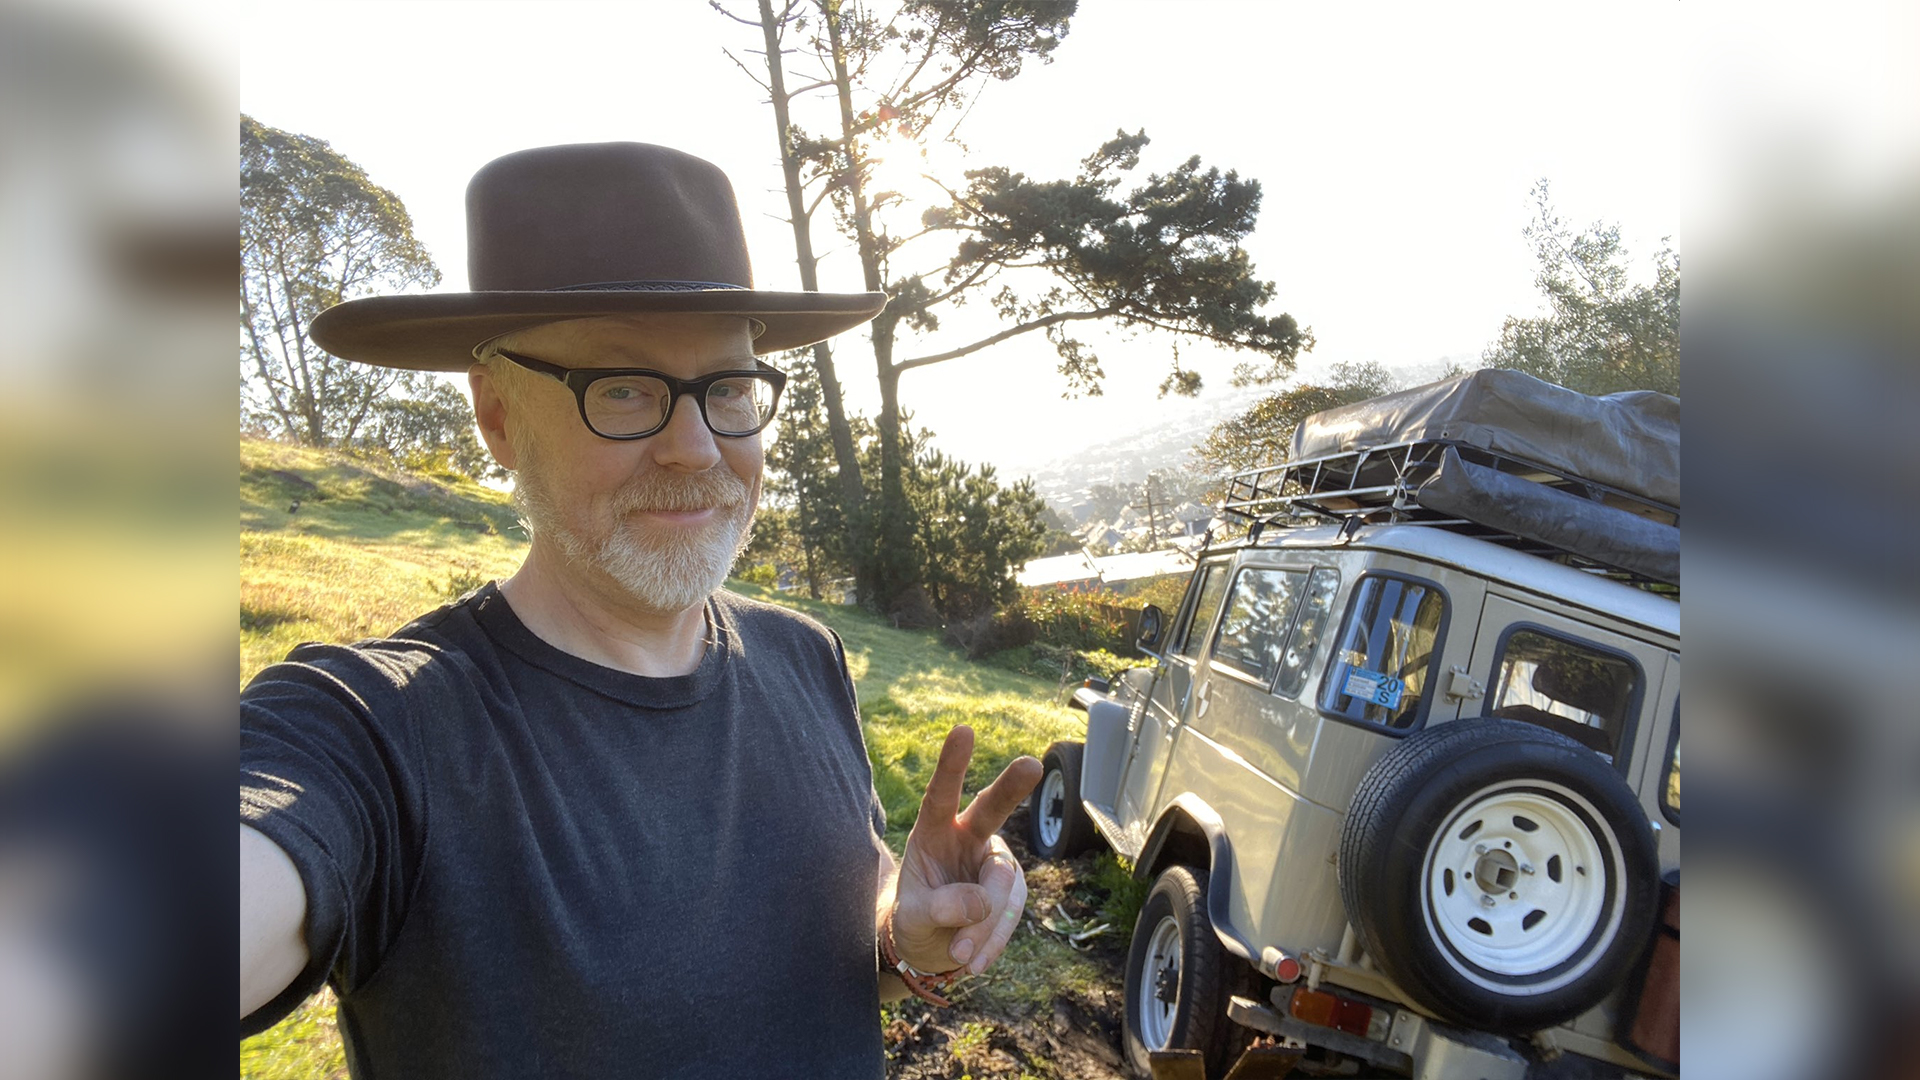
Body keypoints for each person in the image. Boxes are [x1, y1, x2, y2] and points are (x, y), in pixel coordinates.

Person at [239, 142, 1042, 1079]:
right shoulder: (382, 728)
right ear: (498, 416)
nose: (695, 448)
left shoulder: (806, 656)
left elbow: (832, 947)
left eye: (729, 387)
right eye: (623, 389)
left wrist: (905, 940)